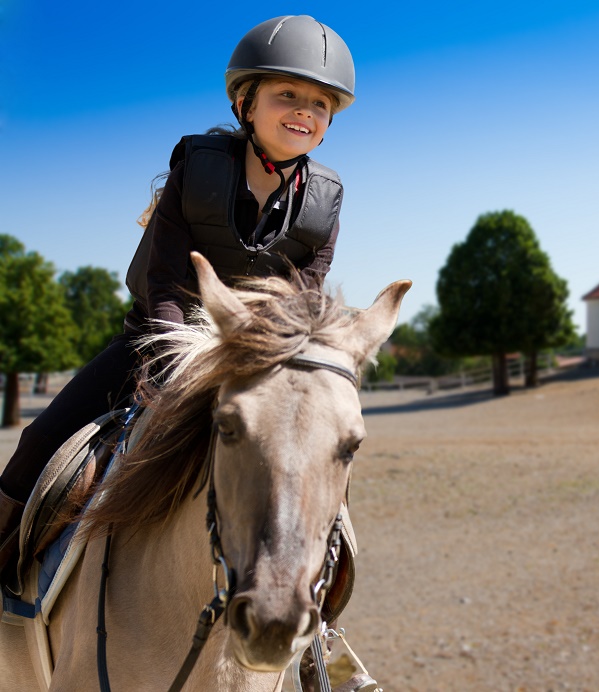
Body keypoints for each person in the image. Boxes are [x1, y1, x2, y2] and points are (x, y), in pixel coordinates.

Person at [0, 15, 355, 573]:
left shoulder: (326, 202)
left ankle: (316, 627)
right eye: (287, 94)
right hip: (158, 343)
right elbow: (164, 281)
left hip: (251, 360)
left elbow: (301, 306)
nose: (304, 112)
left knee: (322, 472)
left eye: (320, 104)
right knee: (37, 442)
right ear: (246, 102)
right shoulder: (197, 171)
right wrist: (176, 363)